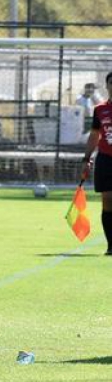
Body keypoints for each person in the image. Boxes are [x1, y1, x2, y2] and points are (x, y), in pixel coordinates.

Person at [80, 72, 112, 256]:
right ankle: (111, 245)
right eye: (111, 83)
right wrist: (86, 159)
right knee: (107, 200)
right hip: (106, 159)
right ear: (107, 86)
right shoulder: (100, 110)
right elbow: (94, 135)